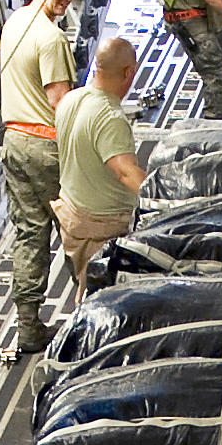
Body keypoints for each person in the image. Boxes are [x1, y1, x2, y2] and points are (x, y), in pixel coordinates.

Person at [0, 0, 79, 355]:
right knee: (79, 227)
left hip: (14, 143)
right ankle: (91, 317)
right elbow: (60, 103)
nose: (67, 0)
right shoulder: (51, 39)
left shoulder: (13, 24)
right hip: (47, 146)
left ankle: (28, 326)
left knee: (30, 233)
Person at [49, 35, 146, 299]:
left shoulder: (70, 100)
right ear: (128, 72)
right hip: (102, 230)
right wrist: (163, 200)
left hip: (72, 219)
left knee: (85, 287)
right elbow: (125, 172)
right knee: (100, 303)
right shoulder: (110, 118)